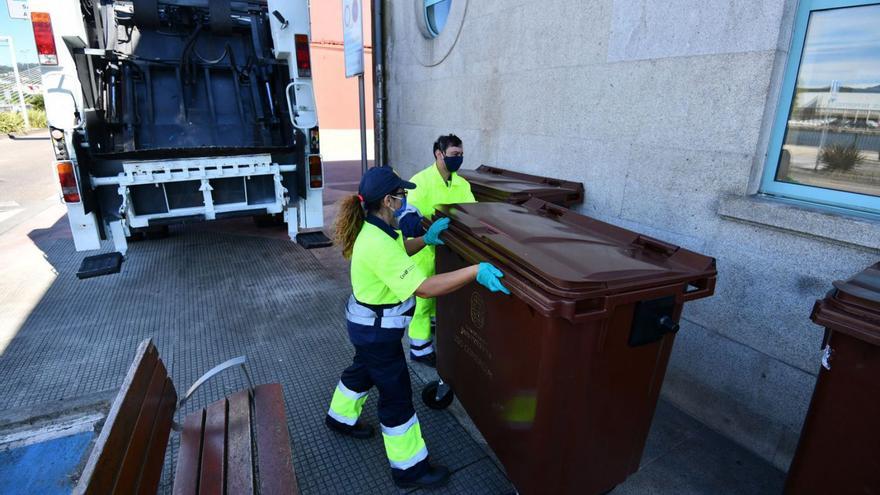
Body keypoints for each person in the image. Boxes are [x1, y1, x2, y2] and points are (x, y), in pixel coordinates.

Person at [325, 166, 509, 489]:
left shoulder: (380, 228)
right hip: (376, 333)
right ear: (387, 200)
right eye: (400, 194)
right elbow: (422, 287)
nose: (405, 198)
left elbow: (401, 251)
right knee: (396, 397)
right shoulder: (376, 243)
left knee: (363, 371)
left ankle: (339, 417)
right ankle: (409, 469)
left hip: (366, 328)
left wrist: (426, 239)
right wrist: (474, 271)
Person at [396, 134, 474, 367]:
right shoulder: (421, 181)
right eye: (453, 155)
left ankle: (435, 331)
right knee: (423, 302)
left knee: (443, 298)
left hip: (449, 252)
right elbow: (406, 217)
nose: (458, 159)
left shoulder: (462, 183)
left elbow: (473, 212)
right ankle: (420, 349)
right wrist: (424, 228)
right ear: (438, 154)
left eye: (460, 154)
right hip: (425, 252)